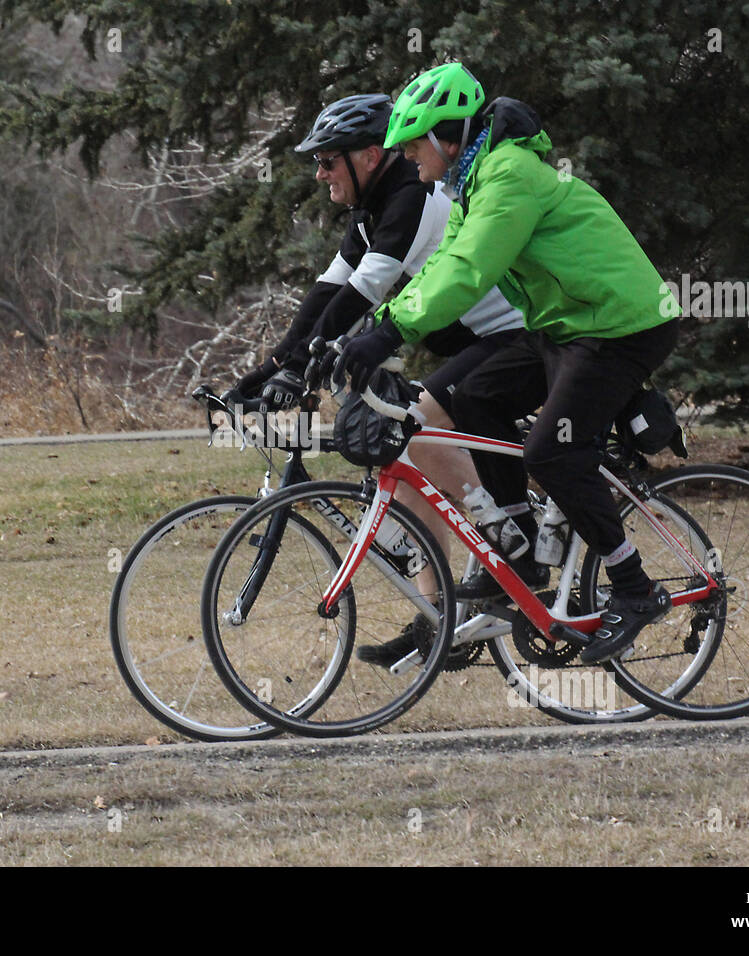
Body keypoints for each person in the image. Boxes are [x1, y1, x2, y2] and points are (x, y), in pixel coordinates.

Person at [332, 63, 681, 665]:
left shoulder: (510, 176)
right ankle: (514, 554)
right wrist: (384, 327)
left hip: (618, 325)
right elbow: (447, 266)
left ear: (448, 137)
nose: (410, 157)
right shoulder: (471, 182)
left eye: (415, 145)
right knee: (470, 401)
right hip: (563, 325)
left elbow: (471, 270)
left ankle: (634, 588)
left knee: (553, 452)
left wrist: (388, 328)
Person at [233, 93, 530, 665]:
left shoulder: (414, 199)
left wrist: (309, 366)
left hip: (507, 343)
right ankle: (440, 622)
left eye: (327, 161)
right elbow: (327, 290)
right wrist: (273, 367)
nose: (320, 175)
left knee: (411, 432)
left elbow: (363, 292)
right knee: (411, 466)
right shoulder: (372, 210)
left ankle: (501, 529)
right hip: (469, 348)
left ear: (369, 156)